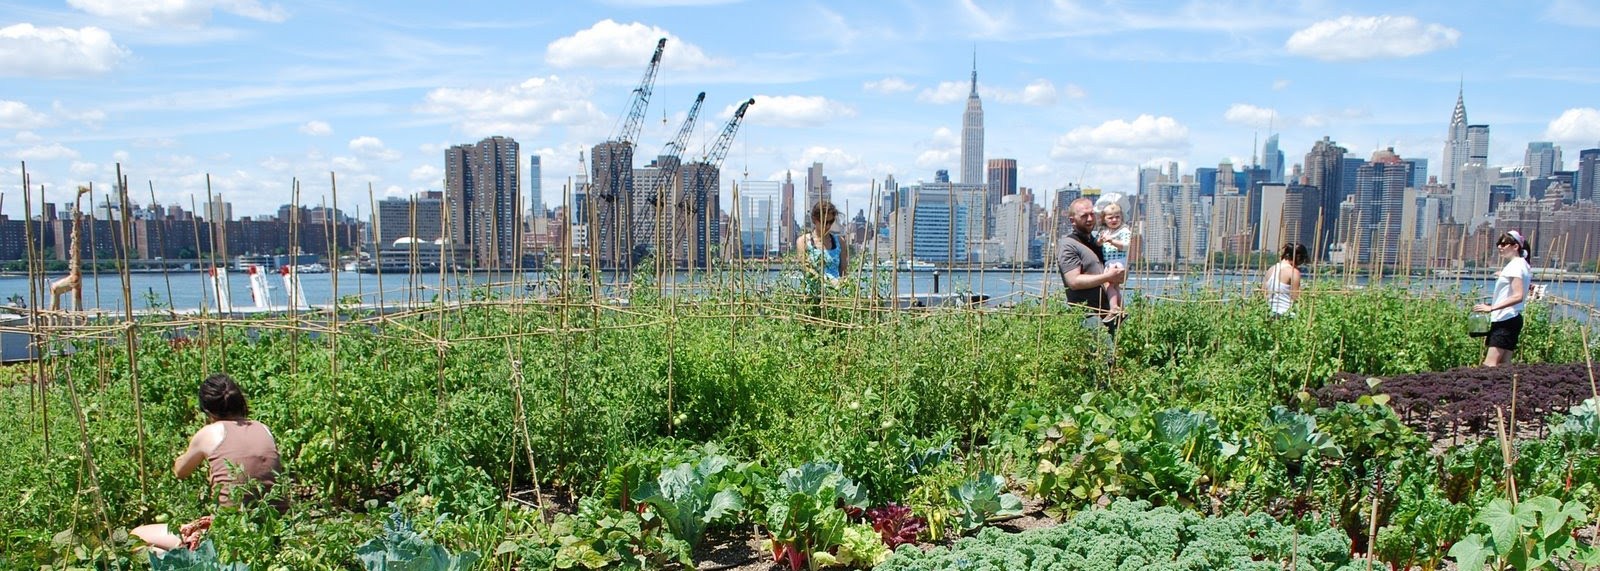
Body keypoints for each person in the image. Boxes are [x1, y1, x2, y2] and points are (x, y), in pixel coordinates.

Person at [132, 374, 282, 553]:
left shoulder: (210, 433)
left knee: (136, 537)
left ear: (208, 411)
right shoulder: (264, 429)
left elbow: (180, 471)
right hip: (274, 530)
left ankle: (184, 561)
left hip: (229, 535)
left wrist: (187, 452)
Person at [1057, 197, 1125, 331]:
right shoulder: (1068, 245)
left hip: (1108, 315)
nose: (1089, 219)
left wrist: (1120, 274)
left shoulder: (1098, 243)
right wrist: (1108, 276)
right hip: (1087, 316)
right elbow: (1073, 281)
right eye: (1084, 216)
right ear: (1072, 220)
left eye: (1092, 214)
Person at [1474, 230, 1532, 367]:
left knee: (1489, 364)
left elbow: (1518, 296)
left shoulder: (1515, 266)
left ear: (1515, 246)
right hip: (1512, 318)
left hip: (1505, 319)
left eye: (1504, 244)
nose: (1500, 247)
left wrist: (1491, 308)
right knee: (1504, 364)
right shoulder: (1522, 264)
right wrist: (1503, 275)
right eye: (1499, 244)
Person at [797, 201, 848, 287]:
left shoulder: (840, 242)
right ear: (814, 220)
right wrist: (825, 281)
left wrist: (842, 283)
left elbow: (844, 271)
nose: (827, 226)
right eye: (824, 222)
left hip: (835, 291)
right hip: (813, 291)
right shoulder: (803, 241)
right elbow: (806, 268)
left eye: (831, 222)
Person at [1096, 202, 1132, 314]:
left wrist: (1112, 241)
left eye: (1117, 217)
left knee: (1109, 285)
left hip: (1118, 262)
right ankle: (1121, 309)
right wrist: (1100, 241)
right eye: (1110, 217)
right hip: (1109, 262)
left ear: (1122, 217)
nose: (1114, 220)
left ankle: (1114, 308)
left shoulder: (1124, 230)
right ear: (1104, 219)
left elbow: (1126, 246)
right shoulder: (1104, 231)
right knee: (1115, 287)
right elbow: (1097, 244)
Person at [1263, 243, 1310, 316]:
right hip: (1286, 314)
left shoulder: (1271, 269)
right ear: (1298, 257)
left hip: (1270, 312)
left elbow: (1264, 293)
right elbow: (1296, 298)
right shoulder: (1293, 272)